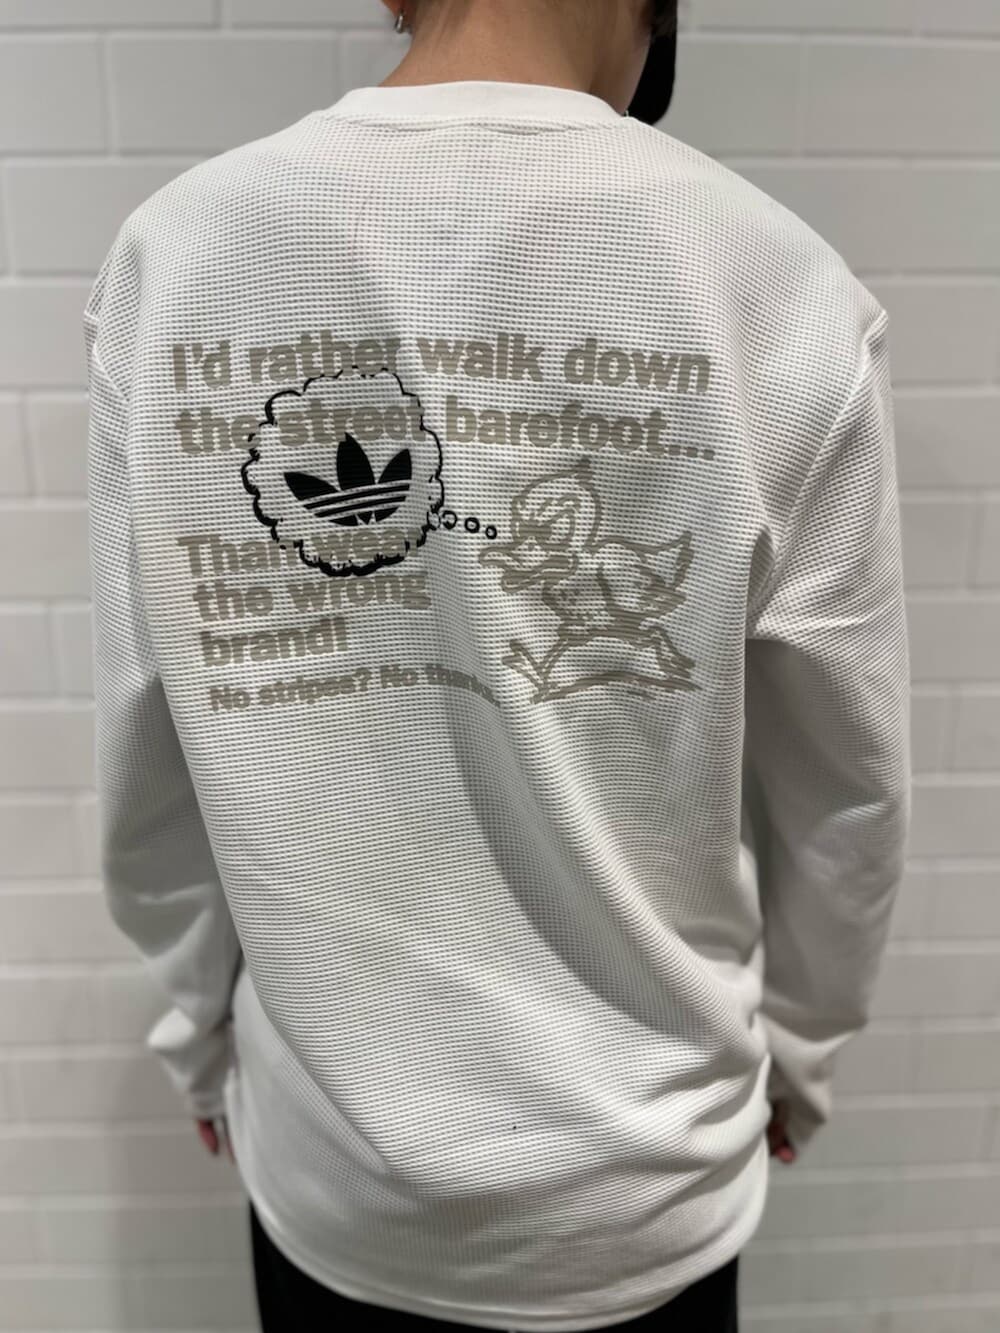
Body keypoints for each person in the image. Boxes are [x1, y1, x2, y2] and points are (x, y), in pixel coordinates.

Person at [83, 0, 911, 1330]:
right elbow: (847, 789)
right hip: (649, 1179)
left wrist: (196, 1028)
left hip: (338, 1172)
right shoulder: (778, 285)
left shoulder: (180, 259)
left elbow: (147, 748)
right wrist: (804, 1047)